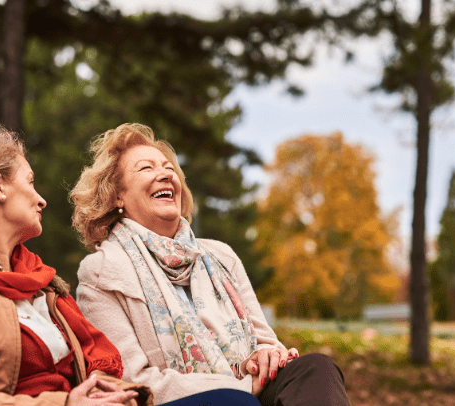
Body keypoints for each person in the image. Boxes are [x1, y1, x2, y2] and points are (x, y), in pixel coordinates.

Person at [71, 123, 351, 406]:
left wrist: (266, 356)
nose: (165, 175)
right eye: (146, 169)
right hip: (181, 401)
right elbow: (131, 380)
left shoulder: (221, 255)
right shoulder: (102, 272)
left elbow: (266, 342)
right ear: (116, 194)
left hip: (250, 390)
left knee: (315, 368)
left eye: (169, 168)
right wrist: (238, 386)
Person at [0, 129, 152, 406]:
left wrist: (120, 398)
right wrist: (65, 404)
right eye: (30, 182)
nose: (42, 200)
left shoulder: (44, 284)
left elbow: (97, 371)